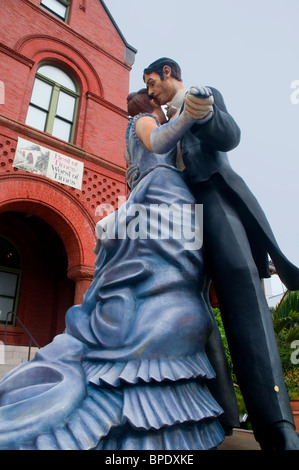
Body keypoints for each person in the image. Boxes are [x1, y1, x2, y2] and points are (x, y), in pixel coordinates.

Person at [0, 88, 230, 450]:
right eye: (155, 93)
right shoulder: (143, 120)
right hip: (161, 194)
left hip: (154, 197)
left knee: (151, 272)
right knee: (153, 271)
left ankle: (122, 328)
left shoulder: (131, 137)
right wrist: (187, 115)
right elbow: (157, 141)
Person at [140, 57, 299, 450]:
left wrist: (205, 112)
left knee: (245, 304)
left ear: (167, 73)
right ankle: (219, 415)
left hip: (213, 201)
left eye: (151, 82)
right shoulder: (157, 125)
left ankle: (277, 425)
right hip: (176, 221)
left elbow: (229, 136)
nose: (150, 91)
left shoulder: (200, 97)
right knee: (192, 311)